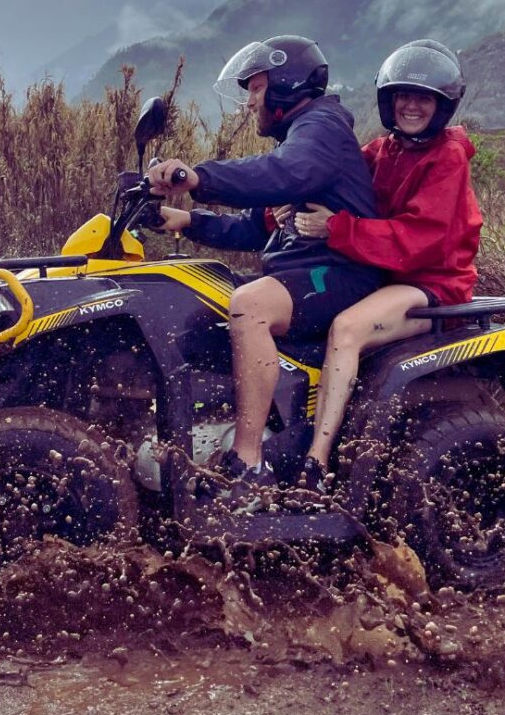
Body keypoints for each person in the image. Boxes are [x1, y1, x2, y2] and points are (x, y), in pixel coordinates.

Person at [147, 36, 382, 486]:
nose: (249, 102)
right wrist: (182, 220)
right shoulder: (301, 138)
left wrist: (198, 177)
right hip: (304, 272)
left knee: (249, 304)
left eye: (256, 89)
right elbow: (254, 230)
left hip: (340, 274)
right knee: (188, 293)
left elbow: (281, 173)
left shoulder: (321, 128)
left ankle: (248, 462)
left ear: (287, 85)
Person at [288, 39, 483, 491]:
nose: (412, 106)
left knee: (347, 329)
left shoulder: (447, 157)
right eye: (403, 95)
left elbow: (419, 240)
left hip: (430, 280)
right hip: (382, 273)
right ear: (388, 100)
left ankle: (316, 466)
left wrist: (336, 229)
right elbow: (334, 186)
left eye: (424, 97)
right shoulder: (383, 151)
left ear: (442, 105)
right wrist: (280, 209)